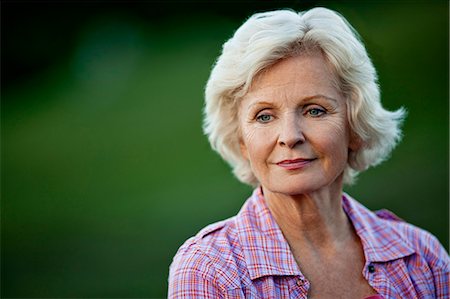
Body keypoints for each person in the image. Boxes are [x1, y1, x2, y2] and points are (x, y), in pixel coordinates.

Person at [168, 7, 449, 299]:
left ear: (354, 127)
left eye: (315, 110)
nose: (290, 136)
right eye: (264, 116)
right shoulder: (210, 269)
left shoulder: (421, 258)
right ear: (241, 140)